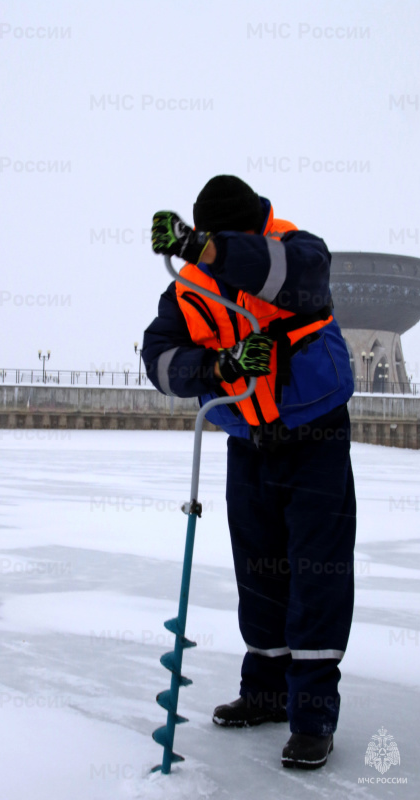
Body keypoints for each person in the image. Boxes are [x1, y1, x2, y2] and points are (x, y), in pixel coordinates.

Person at [142, 175, 356, 770]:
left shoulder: (296, 247)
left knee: (317, 572)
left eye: (226, 238)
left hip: (315, 434)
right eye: (212, 240)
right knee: (259, 571)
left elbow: (292, 276)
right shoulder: (188, 287)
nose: (217, 248)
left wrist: (212, 250)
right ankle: (265, 694)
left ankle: (313, 714)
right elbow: (157, 360)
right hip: (248, 440)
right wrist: (218, 364)